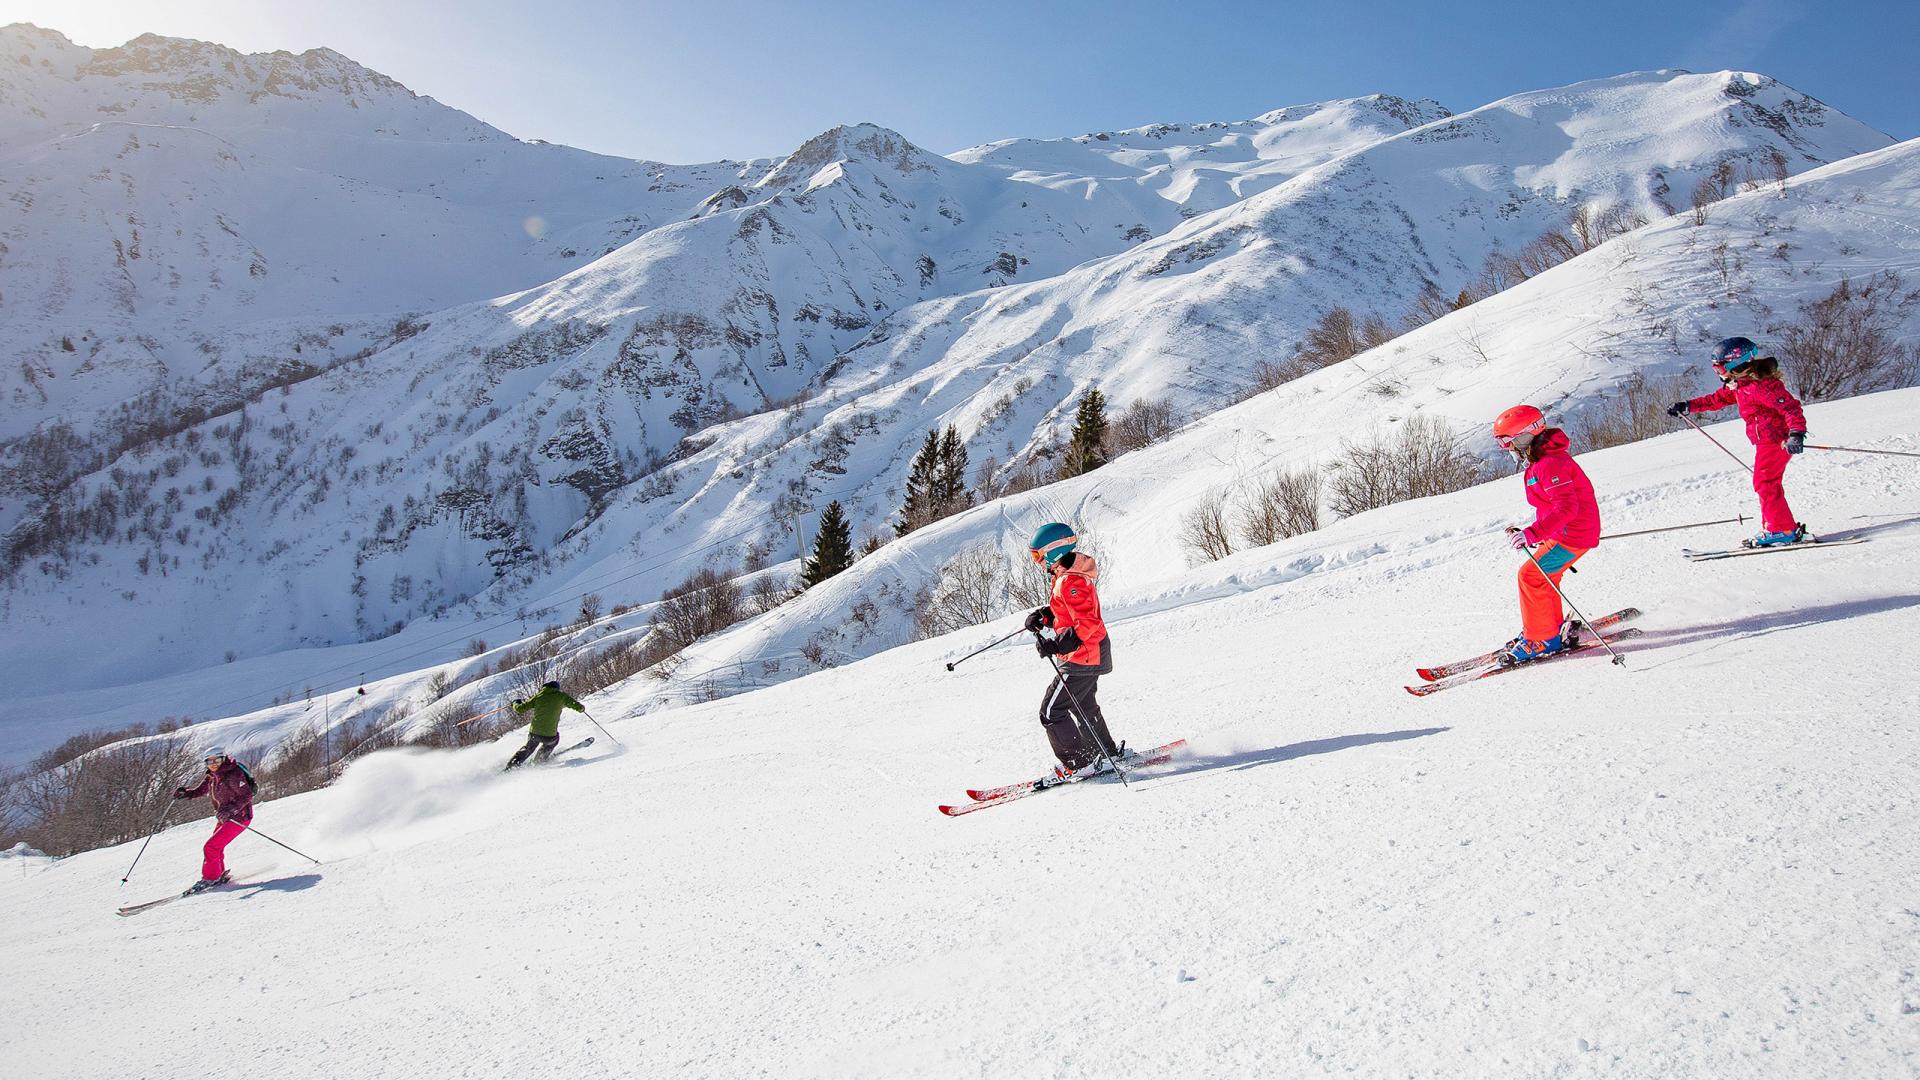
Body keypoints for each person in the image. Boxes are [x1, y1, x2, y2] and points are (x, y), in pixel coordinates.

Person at [1667, 336, 1810, 547]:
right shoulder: (1741, 385)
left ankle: (1781, 529)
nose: (1719, 374)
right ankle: (1777, 526)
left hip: (1777, 440)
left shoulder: (1761, 386)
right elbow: (1716, 400)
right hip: (1766, 440)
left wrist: (1796, 433)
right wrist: (1688, 406)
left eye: (1720, 369)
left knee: (1765, 483)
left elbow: (1790, 407)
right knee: (1766, 483)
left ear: (1737, 364)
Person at [1491, 405, 1602, 664]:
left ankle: (1542, 638)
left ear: (1524, 435)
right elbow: (1551, 505)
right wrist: (1538, 532)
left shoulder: (1550, 464)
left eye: (1506, 440)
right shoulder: (1542, 461)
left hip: (1573, 535)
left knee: (1531, 576)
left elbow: (1566, 507)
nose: (1505, 448)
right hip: (1565, 532)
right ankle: (1544, 629)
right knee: (1543, 576)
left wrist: (1533, 533)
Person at [1022, 522, 1124, 777]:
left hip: (1083, 656)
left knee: (1051, 711)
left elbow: (1087, 622)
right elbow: (1071, 612)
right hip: (1091, 652)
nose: (1037, 561)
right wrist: (1046, 616)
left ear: (1053, 551)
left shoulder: (1070, 580)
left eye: (1038, 555)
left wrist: (1056, 644)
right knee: (1081, 705)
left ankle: (1079, 763)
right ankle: (1104, 752)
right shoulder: (1066, 577)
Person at [172, 747, 256, 891]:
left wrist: (231, 809)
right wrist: (186, 794)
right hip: (226, 817)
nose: (213, 764)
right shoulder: (212, 775)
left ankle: (210, 879)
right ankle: (219, 874)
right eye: (209, 762)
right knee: (216, 847)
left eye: (216, 761)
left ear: (223, 759)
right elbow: (201, 790)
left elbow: (246, 794)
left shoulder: (233, 774)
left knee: (211, 847)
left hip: (240, 817)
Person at [505, 681, 584, 770]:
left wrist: (515, 703)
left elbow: (520, 709)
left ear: (544, 687)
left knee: (528, 748)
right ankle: (538, 761)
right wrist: (581, 708)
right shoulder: (562, 696)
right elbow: (577, 706)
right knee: (553, 742)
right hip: (550, 735)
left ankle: (511, 766)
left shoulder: (539, 696)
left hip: (535, 733)